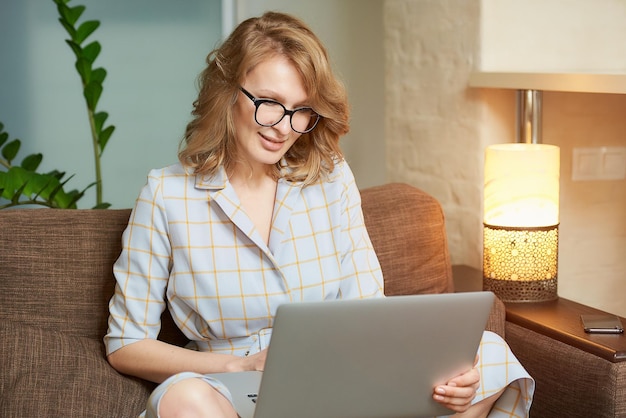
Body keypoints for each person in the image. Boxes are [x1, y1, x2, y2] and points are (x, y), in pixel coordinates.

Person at [104, 11, 534, 418]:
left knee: (489, 352)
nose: (283, 127)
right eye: (269, 102)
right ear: (226, 91)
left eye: (300, 110)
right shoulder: (167, 194)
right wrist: (237, 367)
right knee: (182, 400)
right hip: (231, 391)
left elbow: (368, 309)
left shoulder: (330, 179)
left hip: (340, 377)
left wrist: (453, 377)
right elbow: (126, 343)